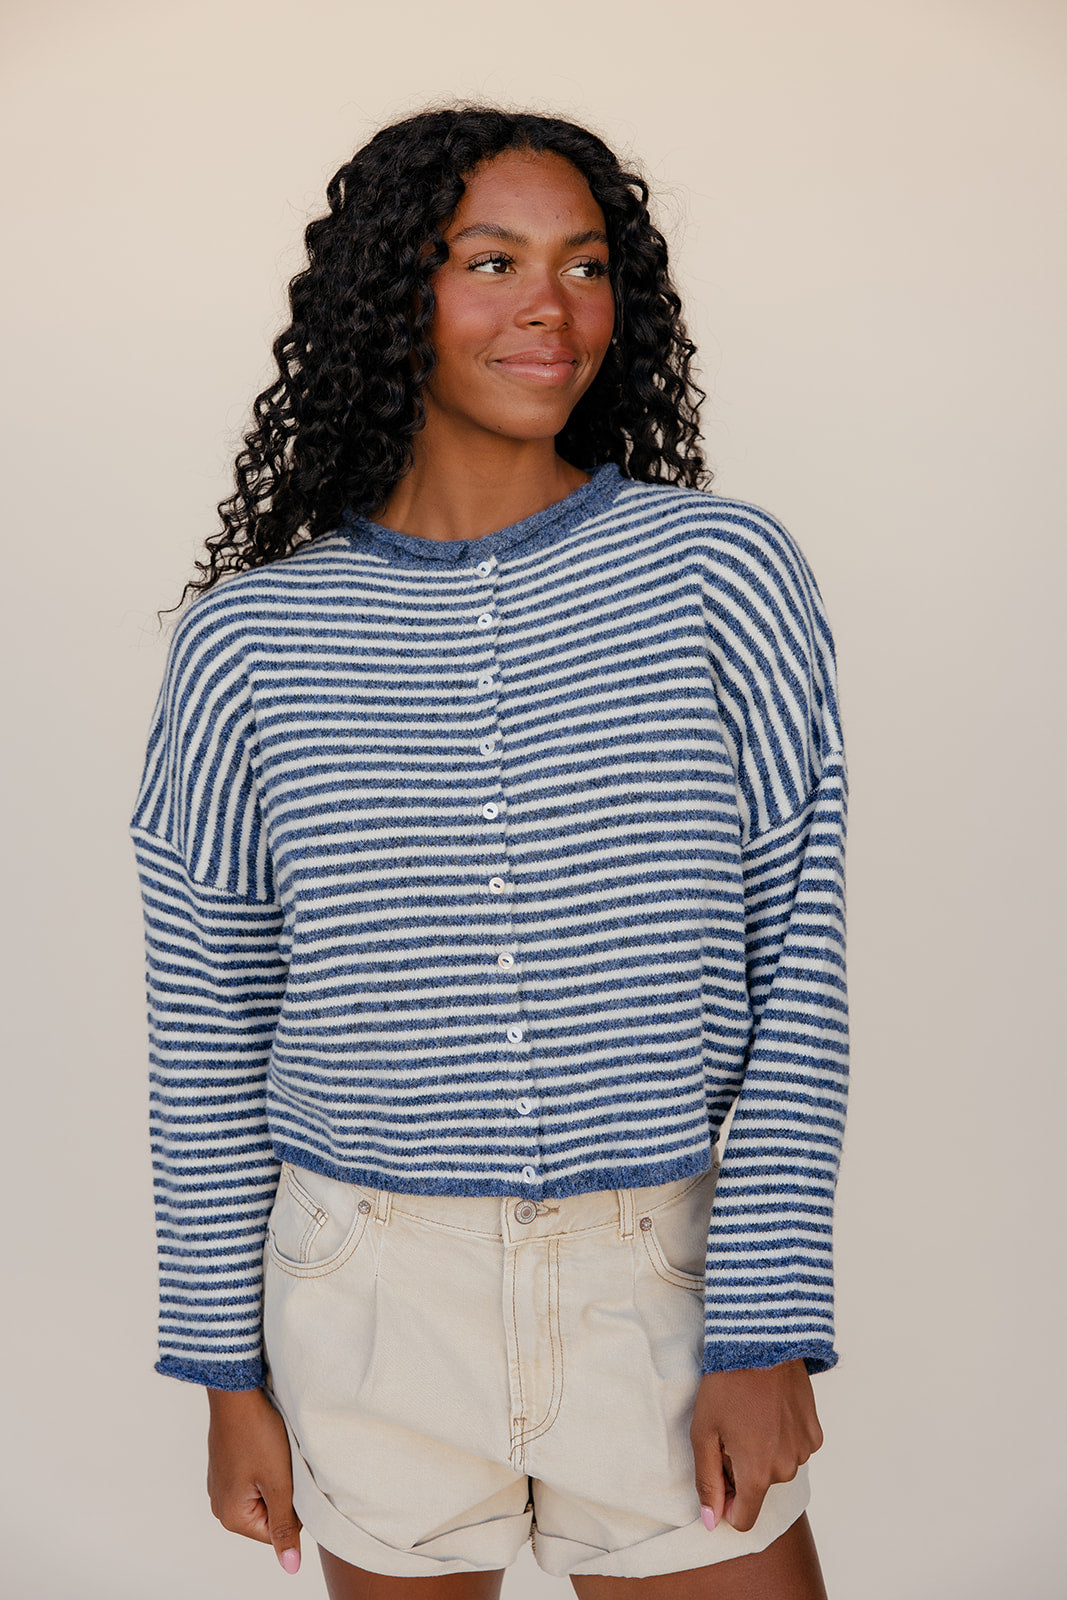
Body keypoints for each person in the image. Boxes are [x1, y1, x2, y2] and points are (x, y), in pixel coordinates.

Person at [128, 104, 849, 1600]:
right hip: (366, 1293)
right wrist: (223, 1373)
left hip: (656, 1281)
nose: (553, 308)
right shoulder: (249, 642)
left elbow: (803, 966)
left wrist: (765, 1324)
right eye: (493, 261)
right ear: (393, 293)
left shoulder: (719, 574)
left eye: (586, 265)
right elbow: (207, 1023)